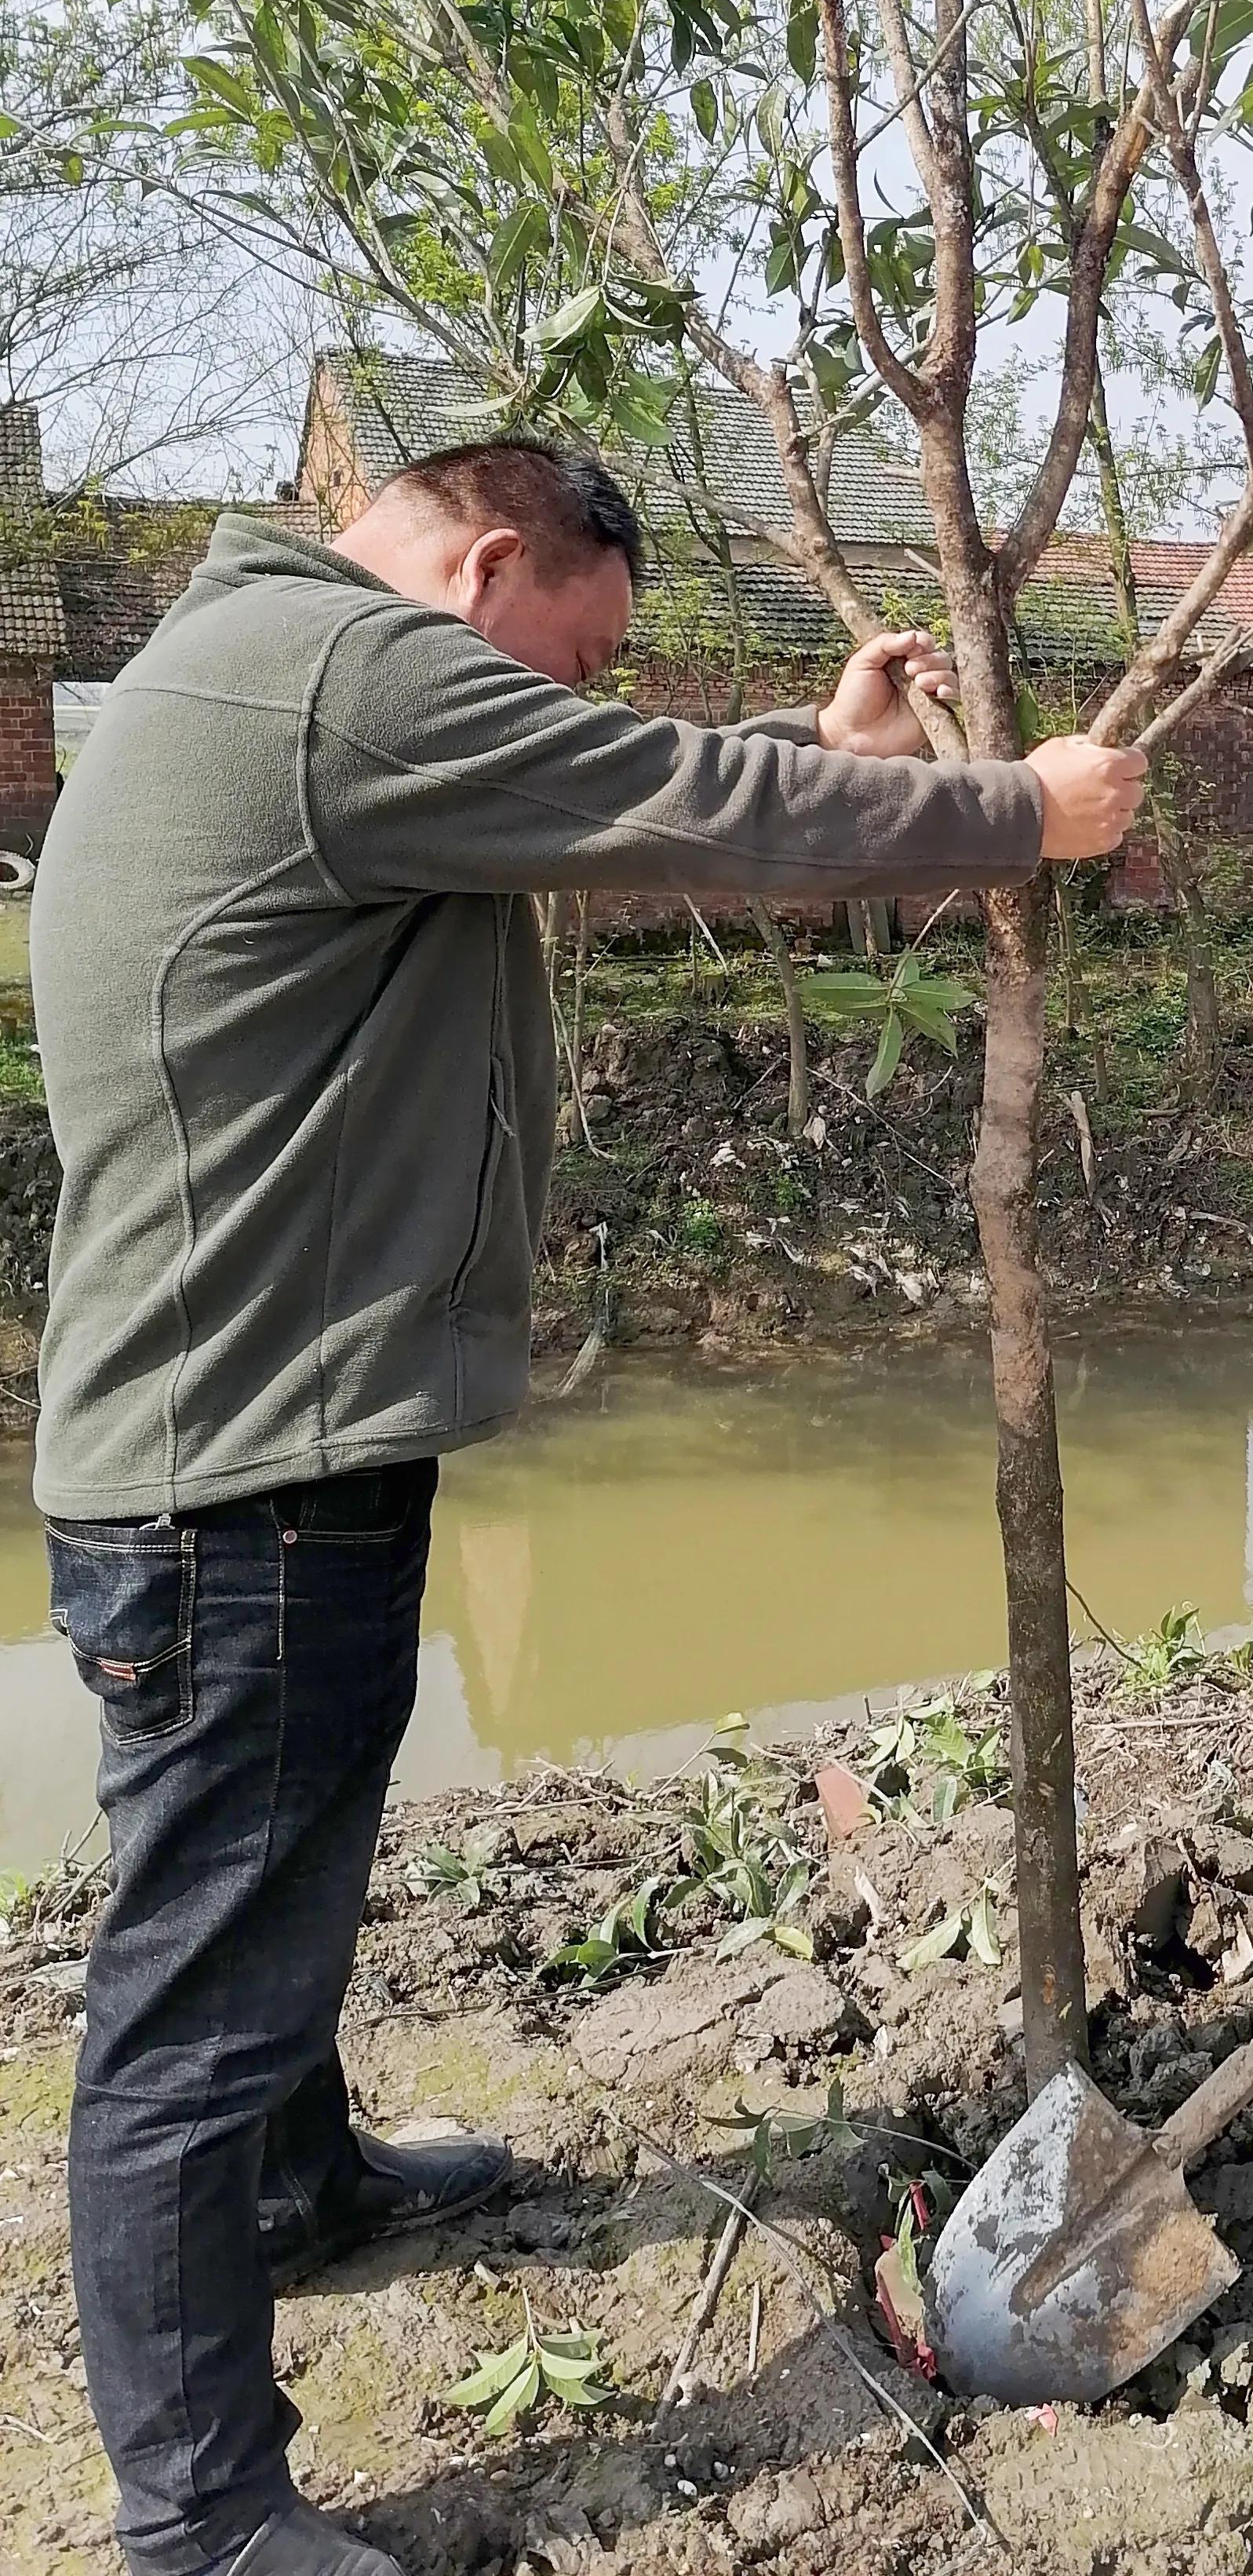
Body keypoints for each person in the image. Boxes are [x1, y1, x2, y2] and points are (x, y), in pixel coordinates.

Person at [31, 437, 1149, 2576]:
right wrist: (1017, 811)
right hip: (240, 1476)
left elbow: (614, 809)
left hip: (235, 1448)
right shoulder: (342, 674)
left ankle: (302, 2191)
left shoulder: (278, 677)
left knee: (273, 1892)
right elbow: (667, 799)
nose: (582, 701)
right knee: (190, 2006)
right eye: (576, 654)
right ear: (484, 565)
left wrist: (802, 757)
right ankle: (199, 2520)